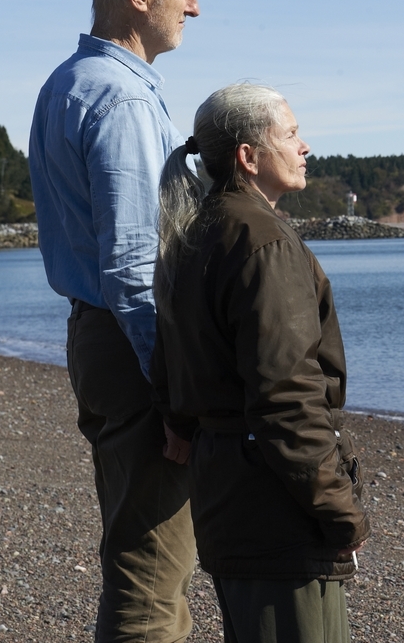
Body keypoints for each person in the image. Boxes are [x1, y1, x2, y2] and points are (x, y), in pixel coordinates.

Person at [28, 0, 201, 642]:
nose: (194, 7)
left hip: (98, 340)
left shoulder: (67, 83)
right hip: (131, 352)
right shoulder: (121, 99)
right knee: (152, 578)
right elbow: (132, 267)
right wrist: (173, 390)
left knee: (138, 558)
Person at [151, 84, 370, 643]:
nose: (305, 146)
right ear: (248, 156)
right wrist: (339, 508)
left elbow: (170, 358)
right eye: (291, 134)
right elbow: (286, 399)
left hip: (227, 491)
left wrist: (180, 422)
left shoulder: (195, 229)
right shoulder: (262, 241)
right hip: (274, 507)